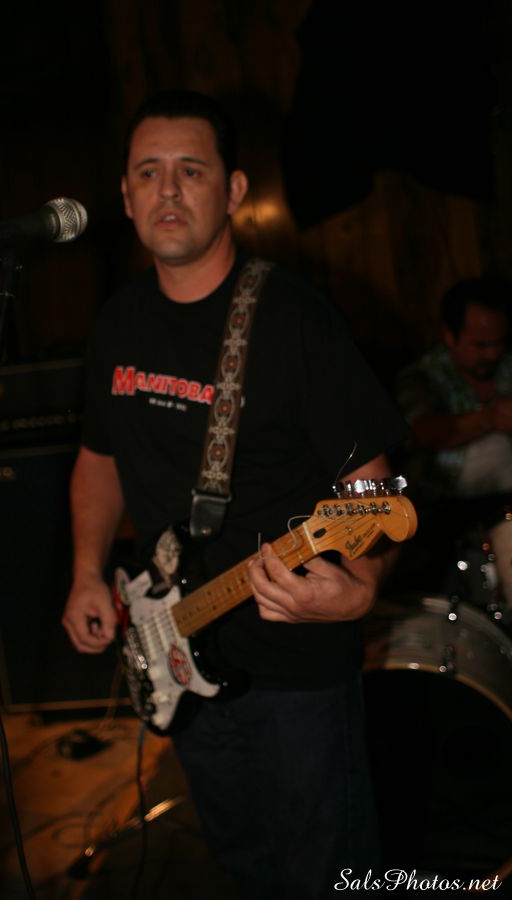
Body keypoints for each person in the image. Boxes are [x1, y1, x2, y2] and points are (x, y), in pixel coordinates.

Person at [62, 89, 408, 899]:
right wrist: (86, 572)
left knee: (330, 877)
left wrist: (361, 586)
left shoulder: (293, 320)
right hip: (174, 653)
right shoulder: (116, 325)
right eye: (148, 172)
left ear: (235, 190)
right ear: (125, 196)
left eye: (191, 170)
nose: (168, 189)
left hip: (293, 670)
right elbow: (97, 460)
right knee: (244, 866)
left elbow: (375, 486)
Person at [395, 277, 512, 603]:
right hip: (446, 518)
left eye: (499, 343)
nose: (492, 353)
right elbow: (425, 433)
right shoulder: (421, 377)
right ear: (450, 335)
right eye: (480, 345)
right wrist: (491, 417)